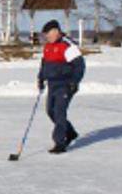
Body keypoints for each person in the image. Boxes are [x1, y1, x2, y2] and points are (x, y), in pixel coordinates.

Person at [37, 20, 86, 154]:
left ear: (56, 31)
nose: (47, 36)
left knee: (59, 112)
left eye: (48, 33)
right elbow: (44, 64)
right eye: (45, 34)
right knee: (50, 111)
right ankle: (70, 133)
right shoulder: (48, 46)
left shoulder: (67, 45)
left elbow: (80, 66)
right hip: (53, 84)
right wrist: (41, 79)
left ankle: (60, 143)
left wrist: (74, 82)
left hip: (66, 84)